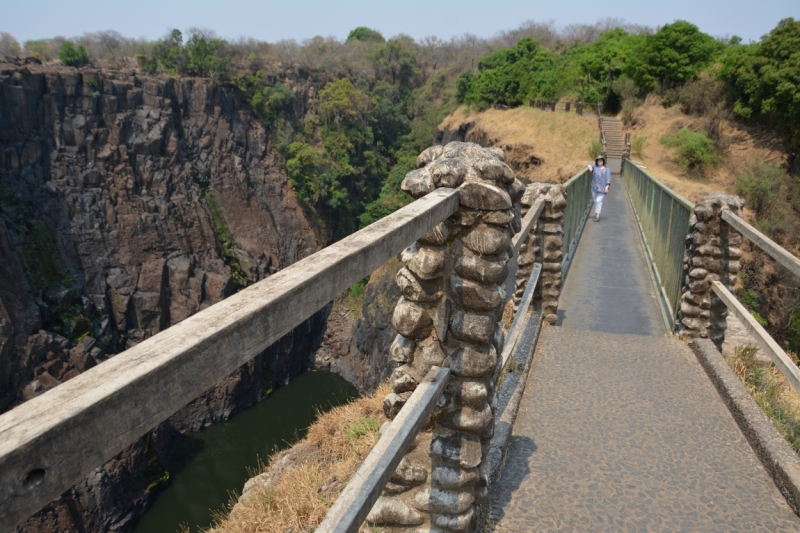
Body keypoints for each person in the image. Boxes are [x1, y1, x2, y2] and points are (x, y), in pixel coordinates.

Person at [586, 156, 611, 222]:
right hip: (594, 187)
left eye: (601, 161)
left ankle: (597, 216)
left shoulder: (606, 169)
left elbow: (608, 178)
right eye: (598, 161)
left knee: (598, 201)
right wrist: (590, 167)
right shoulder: (595, 167)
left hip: (602, 188)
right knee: (595, 201)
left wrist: (607, 187)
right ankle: (597, 213)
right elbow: (588, 164)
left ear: (603, 161)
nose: (600, 162)